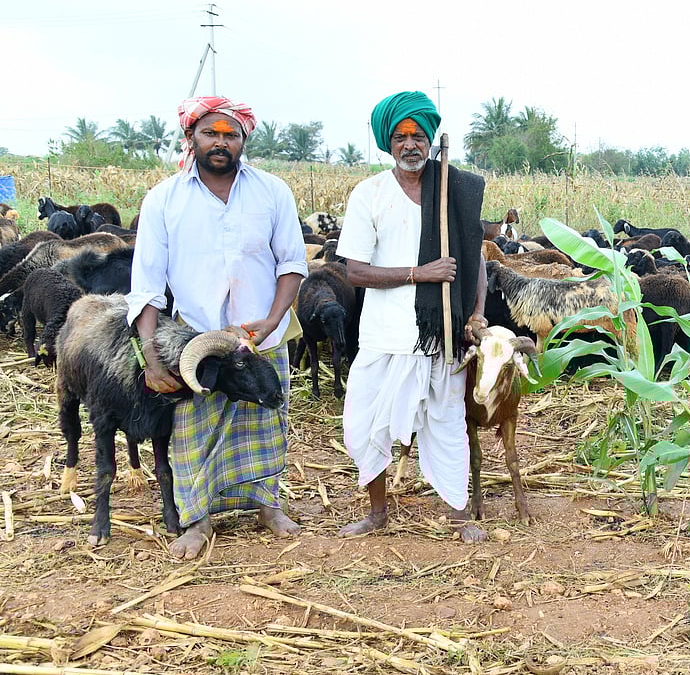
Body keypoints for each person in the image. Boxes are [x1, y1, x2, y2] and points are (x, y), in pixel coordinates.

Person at [126, 96, 309, 560]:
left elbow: (291, 262)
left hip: (261, 333)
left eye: (231, 134)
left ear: (244, 139)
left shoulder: (272, 191)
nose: (221, 142)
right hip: (195, 341)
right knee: (192, 429)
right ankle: (198, 518)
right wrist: (150, 356)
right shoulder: (164, 198)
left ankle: (267, 505)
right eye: (211, 133)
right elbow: (146, 285)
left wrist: (271, 320)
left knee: (266, 420)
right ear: (192, 138)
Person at [336, 91, 489, 542]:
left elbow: (474, 261)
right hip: (385, 335)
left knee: (445, 423)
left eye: (418, 135)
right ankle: (378, 513)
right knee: (365, 424)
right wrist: (419, 274)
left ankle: (459, 515)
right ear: (389, 143)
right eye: (401, 136)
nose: (410, 144)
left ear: (429, 140)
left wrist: (477, 313)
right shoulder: (370, 195)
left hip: (443, 334)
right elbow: (356, 272)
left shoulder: (452, 192)